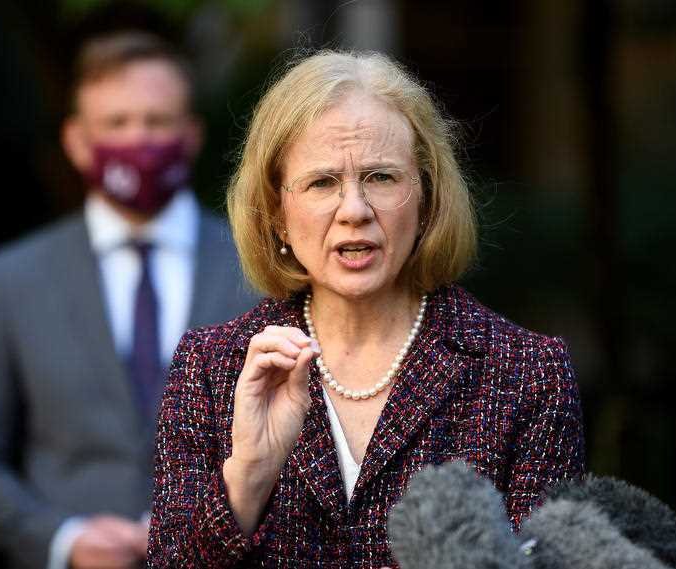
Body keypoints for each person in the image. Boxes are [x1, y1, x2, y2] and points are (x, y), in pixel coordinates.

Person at [147, 50, 586, 568]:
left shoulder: (527, 374)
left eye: (381, 177)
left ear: (426, 196)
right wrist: (248, 476)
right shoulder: (211, 369)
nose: (354, 210)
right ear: (276, 214)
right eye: (321, 182)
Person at [0, 31, 257, 569]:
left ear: (190, 135)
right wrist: (60, 539)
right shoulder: (11, 280)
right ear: (75, 140)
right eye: (116, 124)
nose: (138, 140)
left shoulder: (257, 270)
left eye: (156, 121)